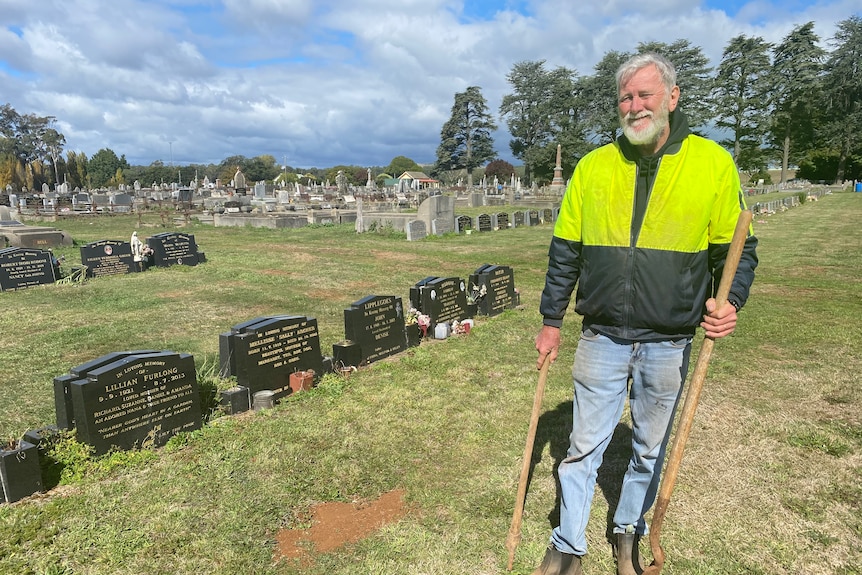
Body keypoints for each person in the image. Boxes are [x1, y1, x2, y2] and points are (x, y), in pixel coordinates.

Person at [532, 52, 758, 575]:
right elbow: (565, 250)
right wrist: (550, 320)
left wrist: (732, 302)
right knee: (583, 448)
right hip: (602, 335)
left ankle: (628, 530)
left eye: (644, 95)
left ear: (672, 98)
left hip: (670, 339)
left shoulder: (712, 164)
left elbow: (736, 251)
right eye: (626, 98)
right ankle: (568, 544)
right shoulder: (592, 168)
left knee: (649, 447)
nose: (634, 106)